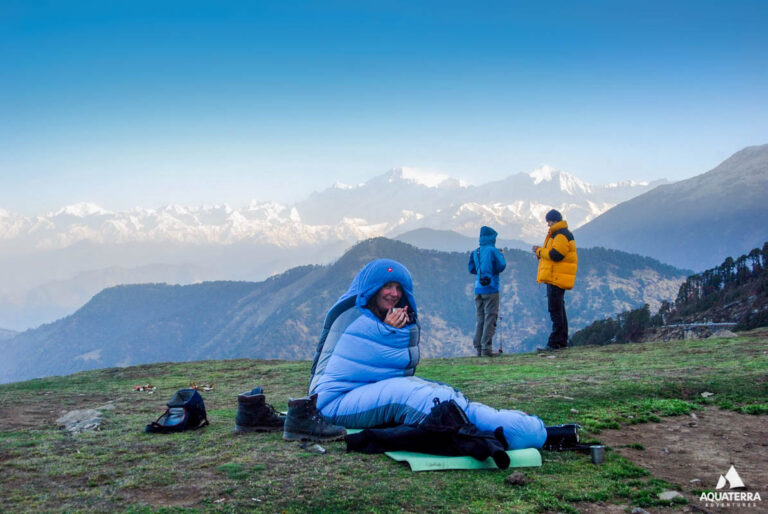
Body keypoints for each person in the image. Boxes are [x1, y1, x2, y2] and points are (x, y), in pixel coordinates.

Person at [292, 258, 546, 449]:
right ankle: (509, 430)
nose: (394, 293)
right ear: (371, 288)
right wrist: (388, 332)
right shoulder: (354, 318)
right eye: (387, 286)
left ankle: (507, 422)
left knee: (440, 394)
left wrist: (391, 331)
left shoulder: (378, 318)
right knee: (424, 400)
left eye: (398, 288)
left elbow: (388, 370)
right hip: (332, 403)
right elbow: (359, 362)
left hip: (361, 391)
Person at [532, 209, 578, 350]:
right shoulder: (561, 234)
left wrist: (539, 251)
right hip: (557, 276)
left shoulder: (560, 235)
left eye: (549, 222)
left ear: (555, 221)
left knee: (555, 310)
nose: (548, 225)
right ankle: (561, 341)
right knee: (559, 310)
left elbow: (556, 255)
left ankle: (554, 343)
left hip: (556, 277)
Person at [467, 226, 507, 356]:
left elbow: (471, 269)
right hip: (491, 288)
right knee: (490, 318)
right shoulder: (493, 251)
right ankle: (486, 349)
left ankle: (478, 348)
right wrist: (500, 254)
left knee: (481, 318)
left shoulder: (476, 252)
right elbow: (501, 266)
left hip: (478, 289)